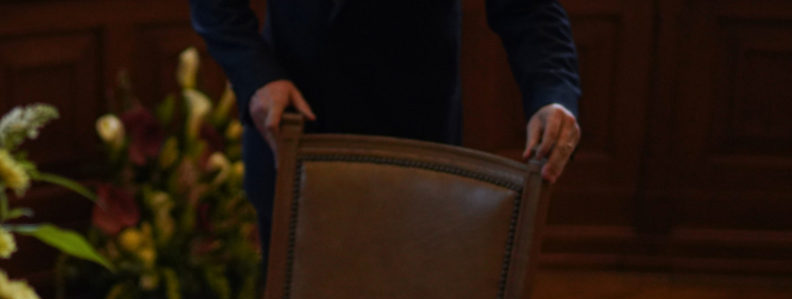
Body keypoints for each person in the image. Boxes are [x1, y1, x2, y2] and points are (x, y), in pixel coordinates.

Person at [189, 0, 582, 251]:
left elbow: (529, 9)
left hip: (417, 142)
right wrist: (256, 75)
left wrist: (553, 93)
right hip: (294, 131)